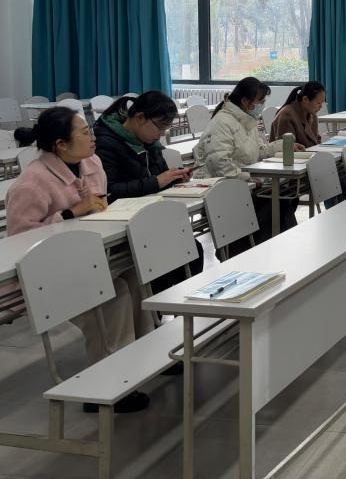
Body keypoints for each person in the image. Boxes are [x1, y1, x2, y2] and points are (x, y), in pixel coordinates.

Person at [6, 107, 152, 412]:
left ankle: (142, 361)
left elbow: (97, 206)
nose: (93, 137)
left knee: (134, 278)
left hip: (88, 259)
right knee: (112, 296)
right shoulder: (31, 183)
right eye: (85, 132)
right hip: (47, 275)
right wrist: (70, 213)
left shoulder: (91, 162)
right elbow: (19, 242)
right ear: (61, 144)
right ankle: (104, 387)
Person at [94, 91, 204, 290]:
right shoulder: (106, 143)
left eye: (166, 128)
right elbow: (108, 192)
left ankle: (185, 303)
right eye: (160, 127)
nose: (161, 134)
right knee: (169, 259)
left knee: (193, 250)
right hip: (123, 222)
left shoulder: (149, 142)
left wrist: (175, 178)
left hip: (151, 216)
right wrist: (157, 182)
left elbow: (159, 178)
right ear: (140, 118)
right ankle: (160, 307)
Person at [193, 77, 304, 245]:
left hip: (243, 183)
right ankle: (252, 247)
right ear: (245, 101)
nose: (262, 105)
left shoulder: (246, 120)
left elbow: (259, 150)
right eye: (260, 101)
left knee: (284, 196)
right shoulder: (222, 123)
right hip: (222, 187)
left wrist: (283, 145)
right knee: (274, 201)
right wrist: (247, 178)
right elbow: (219, 163)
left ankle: (277, 245)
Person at [270, 80, 325, 146]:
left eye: (322, 103)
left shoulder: (311, 114)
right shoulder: (286, 116)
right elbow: (287, 148)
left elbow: (316, 140)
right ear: (305, 99)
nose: (321, 107)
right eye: (318, 103)